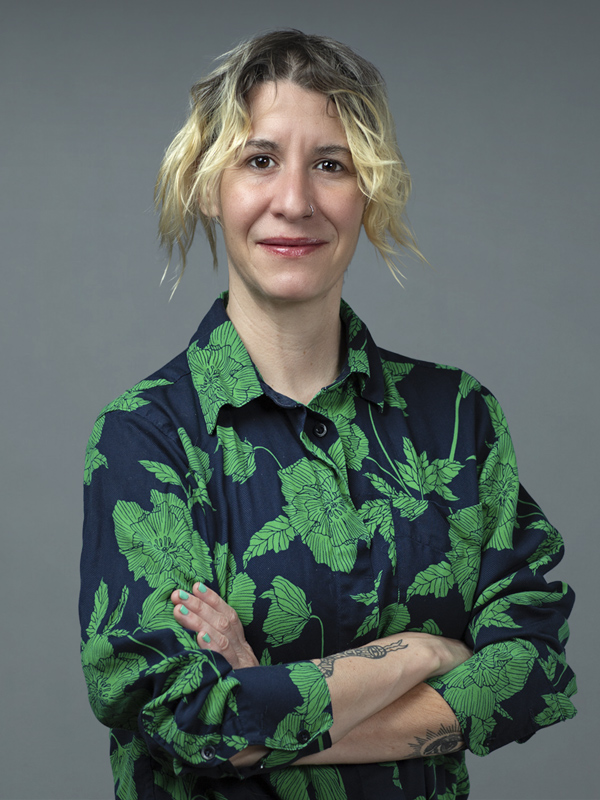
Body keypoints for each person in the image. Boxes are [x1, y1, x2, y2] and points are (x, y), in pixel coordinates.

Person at [79, 29, 576, 800]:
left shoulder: (457, 418)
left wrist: (265, 714)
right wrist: (419, 653)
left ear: (368, 191)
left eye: (331, 164)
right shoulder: (145, 439)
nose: (295, 201)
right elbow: (181, 716)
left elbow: (532, 670)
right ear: (209, 187)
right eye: (259, 159)